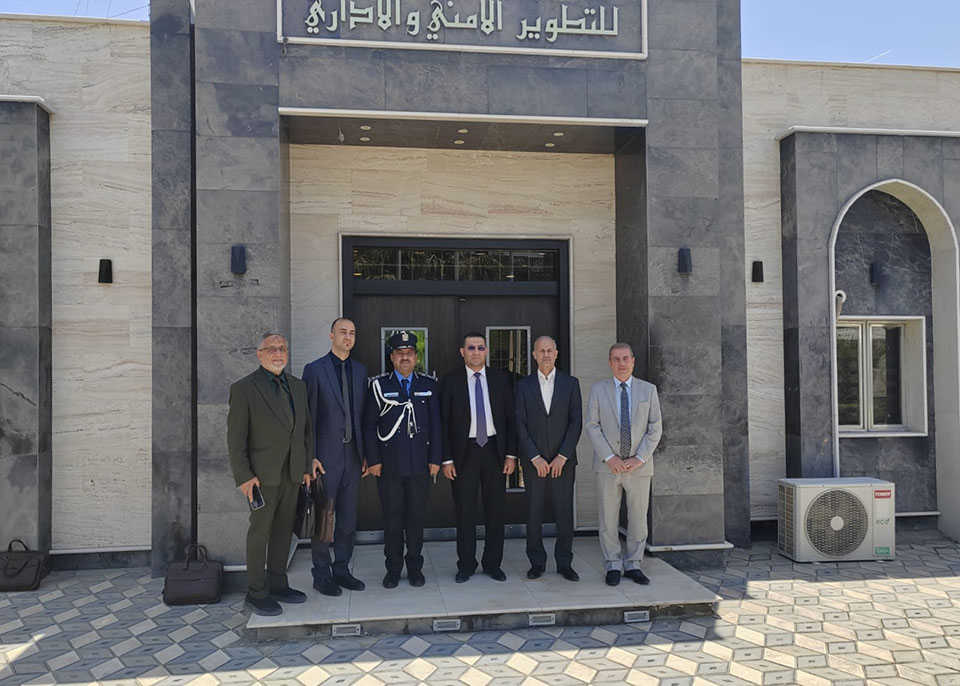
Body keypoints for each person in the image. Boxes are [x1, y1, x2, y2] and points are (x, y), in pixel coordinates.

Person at [227, 331, 313, 616]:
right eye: (271, 349)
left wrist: (306, 467)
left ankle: (278, 584)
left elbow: (306, 431)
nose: (278, 353)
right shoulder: (244, 389)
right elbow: (235, 439)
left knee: (283, 532)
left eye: (282, 348)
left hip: (292, 474)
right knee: (260, 533)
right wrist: (243, 476)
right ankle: (256, 592)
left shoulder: (298, 387)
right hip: (261, 478)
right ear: (259, 354)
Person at [363, 331, 442, 588]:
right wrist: (373, 460)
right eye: (400, 353)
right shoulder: (379, 386)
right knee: (393, 520)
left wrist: (435, 459)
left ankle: (415, 569)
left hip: (420, 465)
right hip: (389, 466)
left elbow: (436, 425)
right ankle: (393, 569)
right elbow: (369, 426)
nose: (405, 357)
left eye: (409, 353)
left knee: (416, 520)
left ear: (416, 357)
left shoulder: (428, 385)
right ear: (392, 357)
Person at [440, 332, 518, 582]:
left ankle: (493, 563)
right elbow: (443, 423)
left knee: (496, 511)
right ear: (462, 352)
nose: (476, 352)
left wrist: (511, 454)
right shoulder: (451, 382)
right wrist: (446, 459)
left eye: (480, 347)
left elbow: (511, 419)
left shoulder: (500, 379)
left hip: (495, 451)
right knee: (465, 512)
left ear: (486, 351)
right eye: (471, 348)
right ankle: (466, 564)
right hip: (465, 453)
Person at [585, 342, 662, 586]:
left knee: (638, 519)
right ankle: (613, 565)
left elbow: (655, 427)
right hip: (608, 466)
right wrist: (610, 457)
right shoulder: (598, 390)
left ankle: (634, 564)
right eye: (616, 359)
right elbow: (592, 426)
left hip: (639, 467)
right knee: (608, 519)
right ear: (610, 363)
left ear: (633, 361)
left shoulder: (648, 390)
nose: (621, 363)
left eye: (625, 358)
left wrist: (639, 458)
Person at [301, 318, 367, 596]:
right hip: (325, 459)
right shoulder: (315, 370)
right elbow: (307, 418)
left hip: (353, 456)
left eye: (352, 333)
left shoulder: (361, 371)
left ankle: (342, 570)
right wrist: (310, 456)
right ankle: (321, 574)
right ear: (331, 336)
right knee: (324, 518)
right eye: (343, 332)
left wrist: (366, 454)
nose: (348, 337)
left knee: (348, 519)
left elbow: (364, 416)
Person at [515, 335, 583, 582]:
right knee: (533, 512)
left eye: (549, 350)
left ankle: (564, 563)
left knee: (564, 512)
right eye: (541, 351)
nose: (545, 354)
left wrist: (562, 456)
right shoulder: (523, 386)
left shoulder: (570, 384)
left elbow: (576, 421)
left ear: (556, 353)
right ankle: (536, 562)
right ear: (534, 355)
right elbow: (519, 423)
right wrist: (534, 456)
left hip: (563, 462)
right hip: (534, 463)